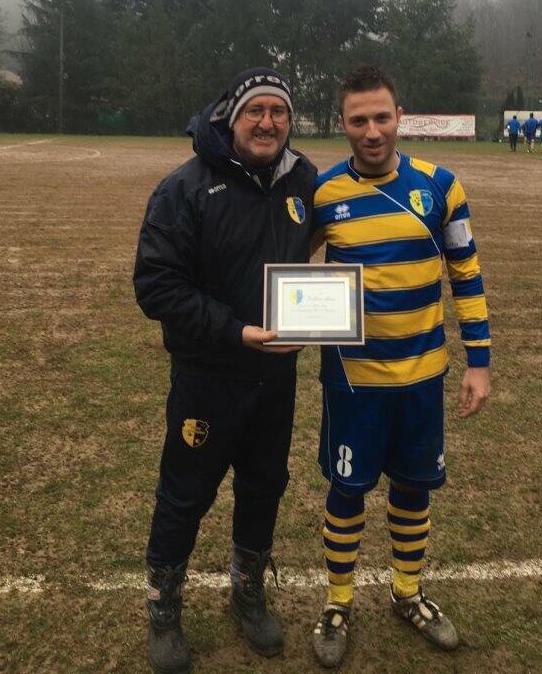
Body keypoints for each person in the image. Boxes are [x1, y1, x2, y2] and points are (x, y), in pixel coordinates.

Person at [134, 67, 316, 674]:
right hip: (207, 379)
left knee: (264, 488)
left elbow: (319, 247)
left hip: (276, 381)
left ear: (290, 122)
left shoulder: (305, 182)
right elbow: (155, 285)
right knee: (184, 496)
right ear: (229, 117)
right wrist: (235, 330)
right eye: (255, 111)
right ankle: (164, 609)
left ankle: (248, 593)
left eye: (279, 112)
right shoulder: (184, 189)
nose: (268, 122)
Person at [310, 65, 491, 667]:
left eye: (381, 117)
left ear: (399, 118)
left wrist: (479, 362)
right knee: (347, 490)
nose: (371, 130)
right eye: (358, 120)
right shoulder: (324, 193)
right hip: (353, 380)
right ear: (343, 124)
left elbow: (465, 272)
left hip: (421, 378)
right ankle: (338, 602)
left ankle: (407, 593)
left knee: (413, 488)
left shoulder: (442, 185)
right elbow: (282, 266)